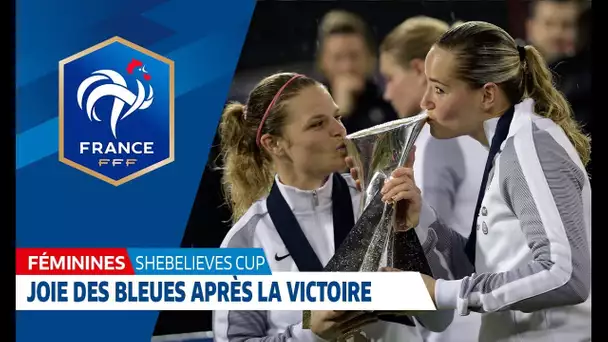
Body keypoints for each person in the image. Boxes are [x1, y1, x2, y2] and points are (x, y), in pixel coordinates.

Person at [368, 21, 591, 341]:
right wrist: (423, 218)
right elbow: (485, 268)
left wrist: (442, 292)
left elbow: (564, 275)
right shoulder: (508, 144)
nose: (425, 102)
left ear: (487, 95)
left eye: (440, 89)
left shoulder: (529, 147)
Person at [212, 72, 453, 342]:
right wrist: (309, 334)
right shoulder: (246, 240)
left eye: (337, 117)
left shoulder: (382, 199)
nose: (339, 130)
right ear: (274, 144)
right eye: (317, 124)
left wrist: (418, 225)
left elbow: (441, 319)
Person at [379, 16, 486, 342]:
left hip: (463, 321)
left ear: (416, 70)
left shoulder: (437, 139)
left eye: (389, 77)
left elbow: (428, 249)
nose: (386, 93)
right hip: (485, 307)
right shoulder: (475, 128)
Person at [316, 10, 398, 134]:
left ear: (370, 58)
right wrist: (341, 113)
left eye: (354, 56)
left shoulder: (390, 103)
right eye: (338, 58)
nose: (347, 67)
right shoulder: (309, 109)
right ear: (323, 62)